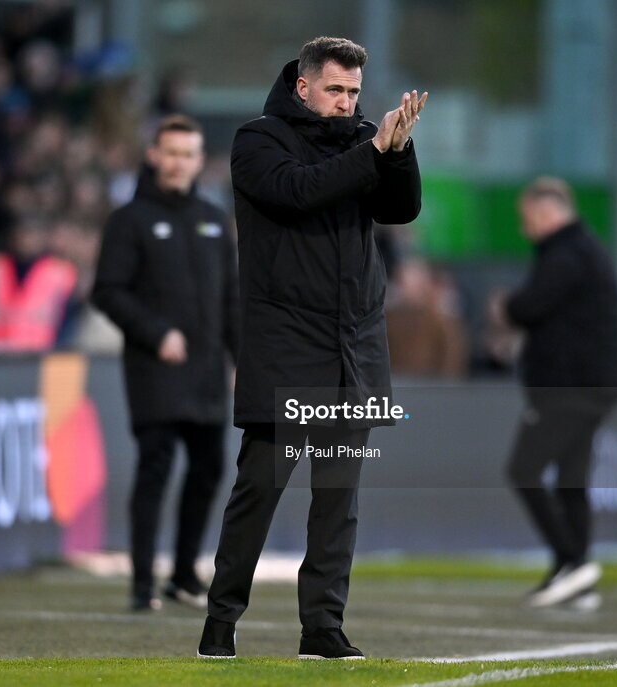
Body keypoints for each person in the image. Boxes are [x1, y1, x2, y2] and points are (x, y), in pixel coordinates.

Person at [198, 37, 425, 659]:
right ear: (304, 86)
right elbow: (298, 192)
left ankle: (322, 628)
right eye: (335, 90)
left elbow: (401, 210)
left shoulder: (365, 143)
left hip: (354, 347)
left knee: (338, 499)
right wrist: (375, 149)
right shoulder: (259, 139)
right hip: (288, 346)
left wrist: (397, 153)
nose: (347, 103)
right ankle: (221, 622)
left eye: (354, 93)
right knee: (259, 493)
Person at [91, 115, 239, 612]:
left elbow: (231, 299)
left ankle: (182, 575)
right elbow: (107, 292)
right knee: (155, 470)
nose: (178, 163)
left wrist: (241, 360)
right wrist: (157, 334)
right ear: (154, 155)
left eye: (188, 155)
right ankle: (140, 583)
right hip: (154, 370)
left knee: (208, 470)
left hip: (206, 373)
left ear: (200, 162)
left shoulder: (216, 220)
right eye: (170, 153)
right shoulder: (128, 220)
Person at [499, 177, 617, 610]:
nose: (524, 229)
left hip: (571, 387)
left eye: (527, 219)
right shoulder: (585, 250)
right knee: (572, 479)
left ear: (548, 215)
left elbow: (527, 306)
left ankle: (573, 561)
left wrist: (505, 307)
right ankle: (575, 575)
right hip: (591, 386)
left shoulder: (567, 255)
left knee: (523, 469)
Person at [0, 216, 77, 350]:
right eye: (21, 234)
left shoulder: (61, 273)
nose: (25, 240)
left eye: (31, 234)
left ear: (43, 238)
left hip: (38, 358)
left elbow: (68, 319)